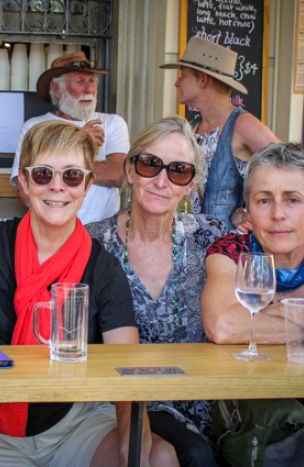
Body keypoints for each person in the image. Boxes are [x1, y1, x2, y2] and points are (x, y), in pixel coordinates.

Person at [0, 121, 177, 466]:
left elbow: (127, 365)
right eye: (42, 174)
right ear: (23, 182)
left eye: (71, 176)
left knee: (158, 457)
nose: (57, 187)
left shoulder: (103, 267)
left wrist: (133, 446)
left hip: (77, 424)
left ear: (87, 184)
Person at [86, 116, 224, 466]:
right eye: (150, 164)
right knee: (194, 455)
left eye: (178, 171)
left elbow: (270, 264)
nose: (161, 180)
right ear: (130, 171)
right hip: (120, 401)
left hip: (203, 400)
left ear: (191, 185)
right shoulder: (92, 242)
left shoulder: (211, 237)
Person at [202, 142, 304, 428]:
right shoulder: (231, 252)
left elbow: (241, 324)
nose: (278, 214)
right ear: (248, 211)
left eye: (292, 200)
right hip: (253, 428)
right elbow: (223, 326)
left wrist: (282, 310)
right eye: (264, 200)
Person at [160, 36, 280, 230]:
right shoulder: (194, 126)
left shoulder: (242, 124)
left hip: (228, 252)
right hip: (191, 245)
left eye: (183, 75)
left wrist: (251, 211)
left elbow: (292, 170)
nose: (177, 82)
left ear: (202, 79)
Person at [10, 51, 130, 225]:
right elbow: (25, 191)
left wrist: (48, 168)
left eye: (91, 81)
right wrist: (79, 141)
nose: (89, 89)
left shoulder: (112, 123)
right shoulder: (33, 127)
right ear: (56, 89)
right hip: (50, 232)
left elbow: (119, 175)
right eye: (80, 81)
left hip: (102, 235)